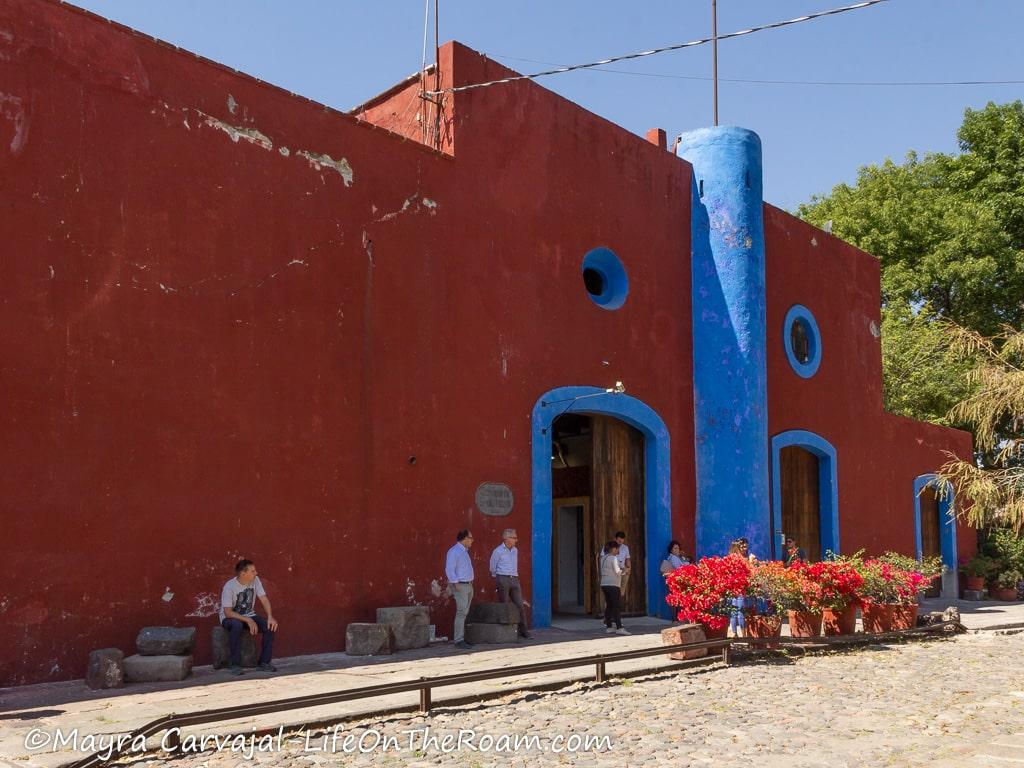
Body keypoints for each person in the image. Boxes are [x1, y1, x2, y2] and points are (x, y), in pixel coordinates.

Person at [220, 559, 278, 675]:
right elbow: (227, 612)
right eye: (253, 571)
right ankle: (234, 664)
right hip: (229, 618)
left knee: (269, 626)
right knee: (237, 625)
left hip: (249, 615)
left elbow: (264, 598)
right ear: (243, 574)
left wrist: (270, 616)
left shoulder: (255, 580)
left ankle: (264, 662)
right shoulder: (229, 586)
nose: (256, 573)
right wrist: (248, 620)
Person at [489, 528, 531, 639]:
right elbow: (492, 566)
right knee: (505, 606)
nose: (516, 540)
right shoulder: (498, 551)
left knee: (520, 605)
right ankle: (507, 633)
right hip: (502, 578)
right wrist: (498, 577)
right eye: (514, 537)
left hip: (514, 579)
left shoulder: (515, 550)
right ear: (506, 538)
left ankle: (524, 631)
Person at [445, 529, 475, 649]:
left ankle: (462, 637)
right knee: (461, 612)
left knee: (465, 612)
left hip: (468, 585)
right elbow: (449, 568)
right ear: (464, 539)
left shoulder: (464, 551)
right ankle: (458, 640)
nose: (472, 540)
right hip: (461, 585)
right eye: (470, 538)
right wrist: (455, 582)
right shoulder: (454, 551)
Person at [599, 541, 629, 634]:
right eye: (617, 549)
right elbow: (617, 571)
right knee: (616, 606)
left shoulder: (603, 558)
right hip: (613, 585)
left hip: (604, 584)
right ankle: (619, 627)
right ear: (613, 549)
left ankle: (609, 626)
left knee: (609, 605)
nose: (618, 551)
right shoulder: (613, 558)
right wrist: (625, 571)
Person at [726, 540, 749, 639]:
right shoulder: (739, 559)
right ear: (737, 548)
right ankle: (744, 634)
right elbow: (748, 570)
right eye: (743, 547)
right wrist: (751, 561)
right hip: (739, 588)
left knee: (734, 612)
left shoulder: (730, 558)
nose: (745, 548)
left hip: (732, 588)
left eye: (746, 546)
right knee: (740, 612)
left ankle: (734, 633)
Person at [614, 531, 632, 599]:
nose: (620, 543)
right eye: (619, 541)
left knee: (622, 589)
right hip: (613, 570)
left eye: (622, 541)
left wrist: (629, 569)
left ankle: (618, 604)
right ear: (615, 539)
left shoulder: (625, 547)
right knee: (613, 589)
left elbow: (627, 559)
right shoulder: (609, 546)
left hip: (622, 569)